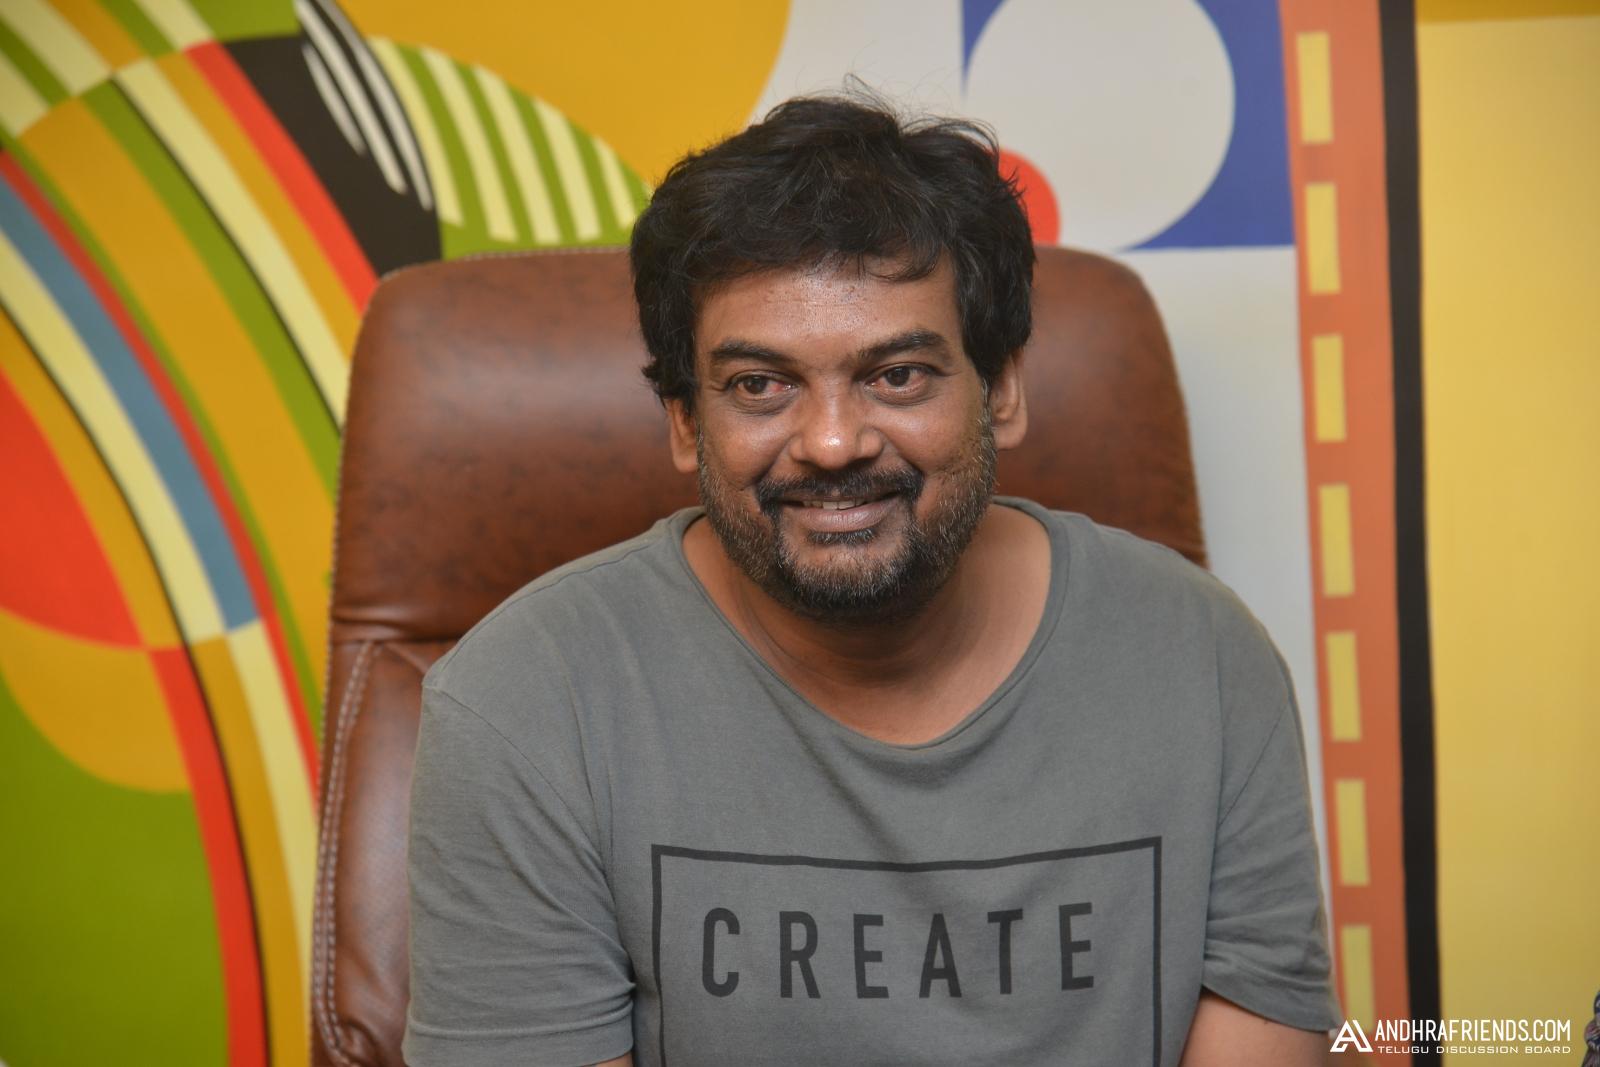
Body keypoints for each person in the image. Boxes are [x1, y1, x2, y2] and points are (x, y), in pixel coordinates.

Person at [403, 92, 1341, 1067]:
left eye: (897, 374)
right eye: (760, 384)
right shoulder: (526, 700)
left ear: (1001, 388)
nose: (832, 442)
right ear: (684, 420)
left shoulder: (1203, 661)